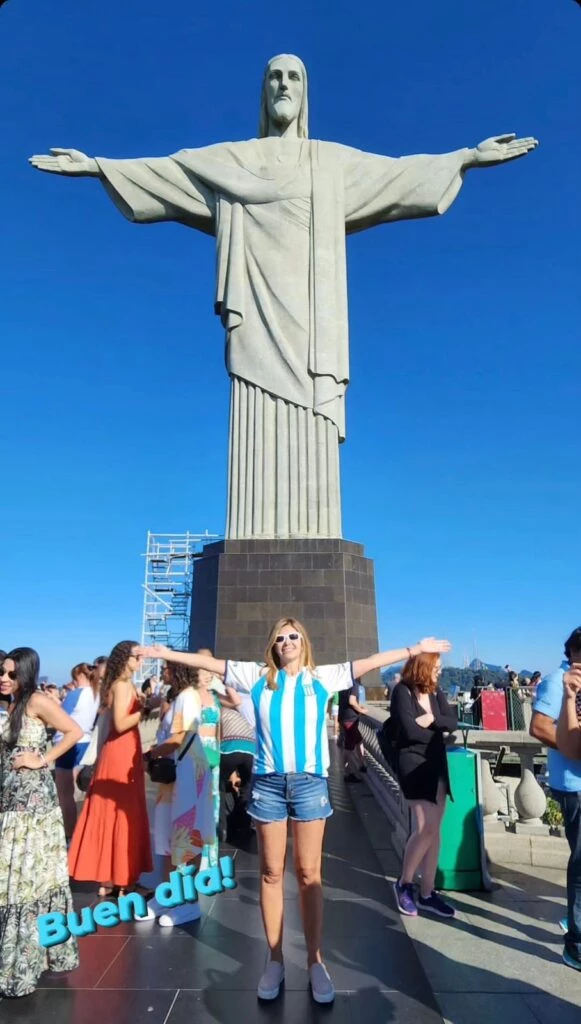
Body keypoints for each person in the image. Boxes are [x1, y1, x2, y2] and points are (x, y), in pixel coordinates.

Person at [138, 625, 451, 1004]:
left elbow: (369, 661)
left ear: (305, 642)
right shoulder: (256, 676)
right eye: (280, 638)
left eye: (294, 636)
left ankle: (316, 961)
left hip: (309, 786)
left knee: (309, 874)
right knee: (271, 873)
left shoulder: (321, 676)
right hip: (269, 785)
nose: (286, 642)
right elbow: (209, 663)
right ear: (272, 645)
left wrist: (414, 648)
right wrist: (165, 654)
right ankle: (274, 961)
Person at [0, 647, 82, 998]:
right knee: (16, 877)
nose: (5, 679)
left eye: (11, 674)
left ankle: (23, 965)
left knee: (27, 880)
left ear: (27, 674)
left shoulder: (35, 700)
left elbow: (74, 731)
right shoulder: (13, 703)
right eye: (2, 673)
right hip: (12, 803)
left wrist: (42, 760)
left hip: (33, 808)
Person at [67, 640, 153, 897]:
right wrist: (146, 709)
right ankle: (125, 880)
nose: (141, 662)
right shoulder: (123, 685)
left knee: (108, 812)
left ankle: (107, 880)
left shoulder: (114, 685)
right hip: (122, 753)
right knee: (125, 813)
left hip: (114, 753)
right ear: (125, 659)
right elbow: (121, 722)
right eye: (137, 657)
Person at [145, 662, 215, 926]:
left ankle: (189, 902)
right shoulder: (180, 697)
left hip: (188, 774)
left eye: (166, 669)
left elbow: (179, 737)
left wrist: (150, 754)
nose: (162, 673)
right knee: (167, 835)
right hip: (176, 777)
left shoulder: (187, 697)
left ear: (176, 671)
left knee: (187, 833)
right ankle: (168, 894)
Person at [390, 652, 458, 920]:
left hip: (436, 764)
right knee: (424, 828)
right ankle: (404, 883)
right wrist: (437, 729)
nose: (439, 672)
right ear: (423, 667)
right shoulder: (402, 692)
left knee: (435, 831)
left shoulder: (435, 692)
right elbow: (408, 731)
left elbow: (451, 721)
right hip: (413, 766)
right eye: (436, 667)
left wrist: (432, 721)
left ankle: (427, 892)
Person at [531, 627, 581, 972]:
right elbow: (538, 726)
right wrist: (572, 749)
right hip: (574, 782)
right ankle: (576, 942)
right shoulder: (557, 681)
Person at [54, 661, 100, 840]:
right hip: (86, 742)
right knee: (84, 790)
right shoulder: (97, 694)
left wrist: (54, 701)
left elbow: (59, 716)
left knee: (66, 793)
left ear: (78, 676)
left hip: (68, 743)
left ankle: (69, 833)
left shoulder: (75, 694)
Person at [338, 677, 367, 782]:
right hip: (350, 720)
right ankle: (347, 773)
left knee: (359, 740)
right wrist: (361, 710)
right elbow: (352, 700)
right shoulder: (354, 684)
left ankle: (362, 764)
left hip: (343, 717)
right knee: (349, 748)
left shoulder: (343, 684)